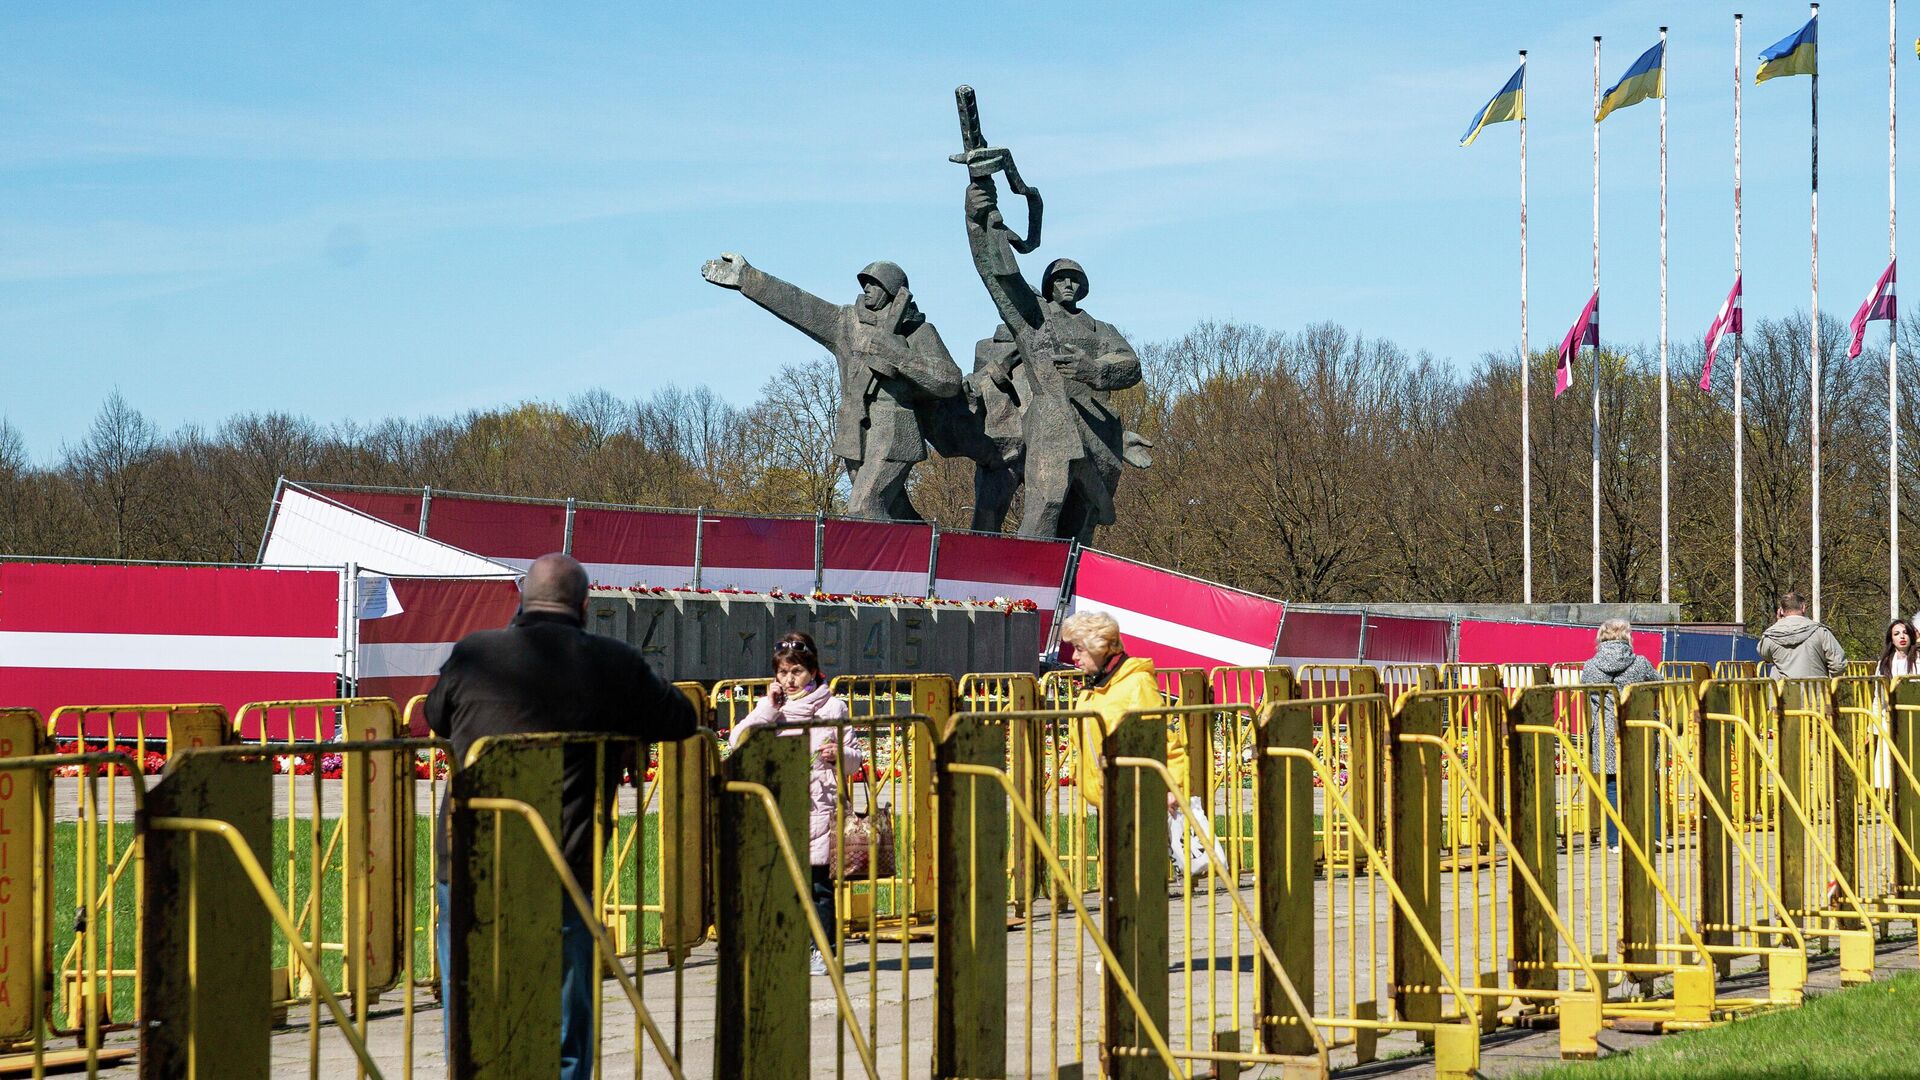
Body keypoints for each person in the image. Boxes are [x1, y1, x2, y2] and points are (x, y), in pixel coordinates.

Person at [426, 553, 697, 1080]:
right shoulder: (613, 664)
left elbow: (435, 716)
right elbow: (681, 718)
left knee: (469, 1004)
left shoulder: (476, 655)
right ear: (585, 606)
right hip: (563, 864)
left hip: (468, 860)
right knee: (565, 1023)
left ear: (520, 599)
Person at [701, 253, 963, 521]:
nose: (867, 289)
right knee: (896, 511)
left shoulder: (917, 331)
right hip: (854, 428)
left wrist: (899, 356)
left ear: (892, 291)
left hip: (894, 428)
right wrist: (748, 278)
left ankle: (874, 563)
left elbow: (950, 380)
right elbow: (800, 306)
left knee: (865, 507)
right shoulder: (847, 322)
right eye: (865, 283)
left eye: (875, 284)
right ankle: (941, 556)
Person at [963, 174, 1150, 542]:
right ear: (1049, 284)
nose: (1068, 284)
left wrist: (1094, 369)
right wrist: (977, 221)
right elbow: (998, 277)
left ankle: (1065, 594)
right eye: (1061, 278)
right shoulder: (1036, 318)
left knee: (1080, 527)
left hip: (1096, 434)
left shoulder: (1100, 329)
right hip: (1048, 422)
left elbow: (1131, 366)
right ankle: (1019, 581)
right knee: (1042, 510)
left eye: (1074, 279)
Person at [726, 632, 864, 976]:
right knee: (782, 882)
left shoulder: (833, 707)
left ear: (813, 671)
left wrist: (839, 755)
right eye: (783, 672)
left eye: (797, 671)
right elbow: (737, 740)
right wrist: (766, 708)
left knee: (819, 886)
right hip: (779, 804)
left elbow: (856, 757)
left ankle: (823, 950)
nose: (789, 679)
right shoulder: (773, 710)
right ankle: (786, 944)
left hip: (820, 807)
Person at [1059, 611, 1186, 813]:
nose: (1074, 657)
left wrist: (1172, 787)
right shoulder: (1092, 690)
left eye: (1079, 649)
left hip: (1139, 803)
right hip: (1110, 802)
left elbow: (1164, 740)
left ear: (1099, 647)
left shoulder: (1137, 684)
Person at [1580, 619, 1659, 853]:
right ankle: (1652, 835)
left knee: (1612, 786)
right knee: (1645, 783)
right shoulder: (1641, 664)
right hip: (1637, 727)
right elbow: (1658, 685)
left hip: (1606, 730)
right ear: (1627, 637)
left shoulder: (1591, 666)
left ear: (1601, 637)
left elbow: (1588, 693)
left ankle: (1615, 841)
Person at [1757, 591, 1847, 679]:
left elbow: (1765, 655)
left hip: (1782, 691)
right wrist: (1829, 681)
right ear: (1803, 607)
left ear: (1781, 611)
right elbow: (1838, 664)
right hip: (1816, 691)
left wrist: (1779, 623)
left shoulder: (1771, 635)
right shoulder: (1820, 631)